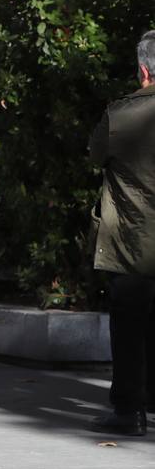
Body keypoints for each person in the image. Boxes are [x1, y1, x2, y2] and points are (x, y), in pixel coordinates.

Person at [88, 30, 155, 437]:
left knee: (129, 328)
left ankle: (129, 410)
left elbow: (96, 154)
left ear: (143, 69)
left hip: (131, 242)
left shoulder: (120, 113)